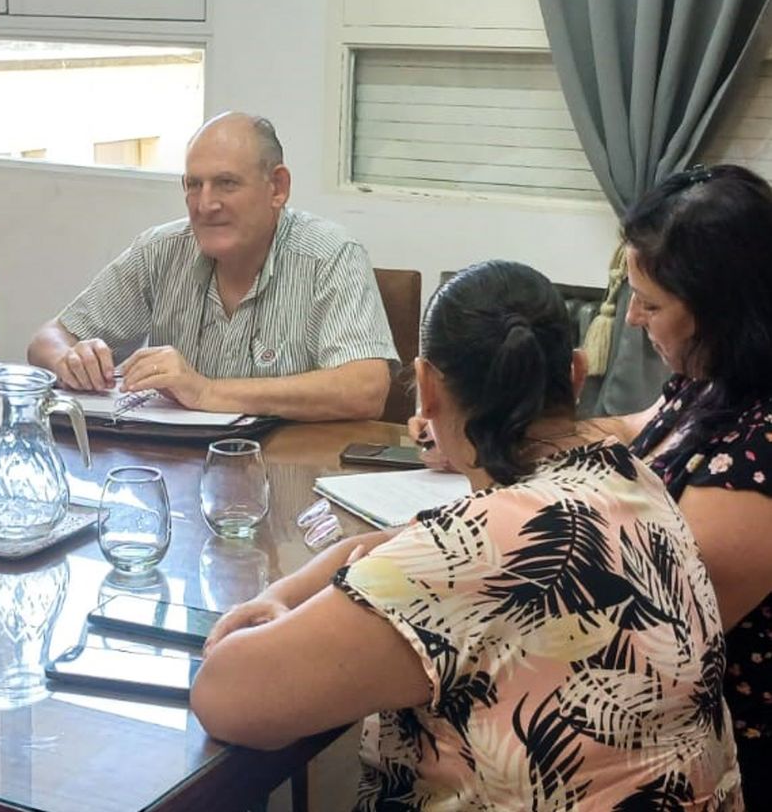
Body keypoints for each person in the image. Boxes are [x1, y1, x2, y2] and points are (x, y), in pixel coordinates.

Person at [192, 261, 740, 809]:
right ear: (576, 373)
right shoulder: (629, 475)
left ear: (425, 389)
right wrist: (286, 593)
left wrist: (279, 605)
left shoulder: (470, 551)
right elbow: (421, 540)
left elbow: (225, 698)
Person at [26, 111, 394, 422]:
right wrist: (72, 359)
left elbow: (366, 388)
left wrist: (207, 391)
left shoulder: (330, 254)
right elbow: (48, 339)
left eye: (226, 184)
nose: (205, 205)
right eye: (193, 185)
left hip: (289, 473)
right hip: (174, 468)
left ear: (277, 187)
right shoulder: (161, 250)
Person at [610, 164, 772, 805]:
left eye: (650, 303)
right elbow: (636, 427)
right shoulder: (718, 377)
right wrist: (501, 434)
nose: (630, 320)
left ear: (722, 311)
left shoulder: (761, 452)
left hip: (726, 753)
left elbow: (669, 639)